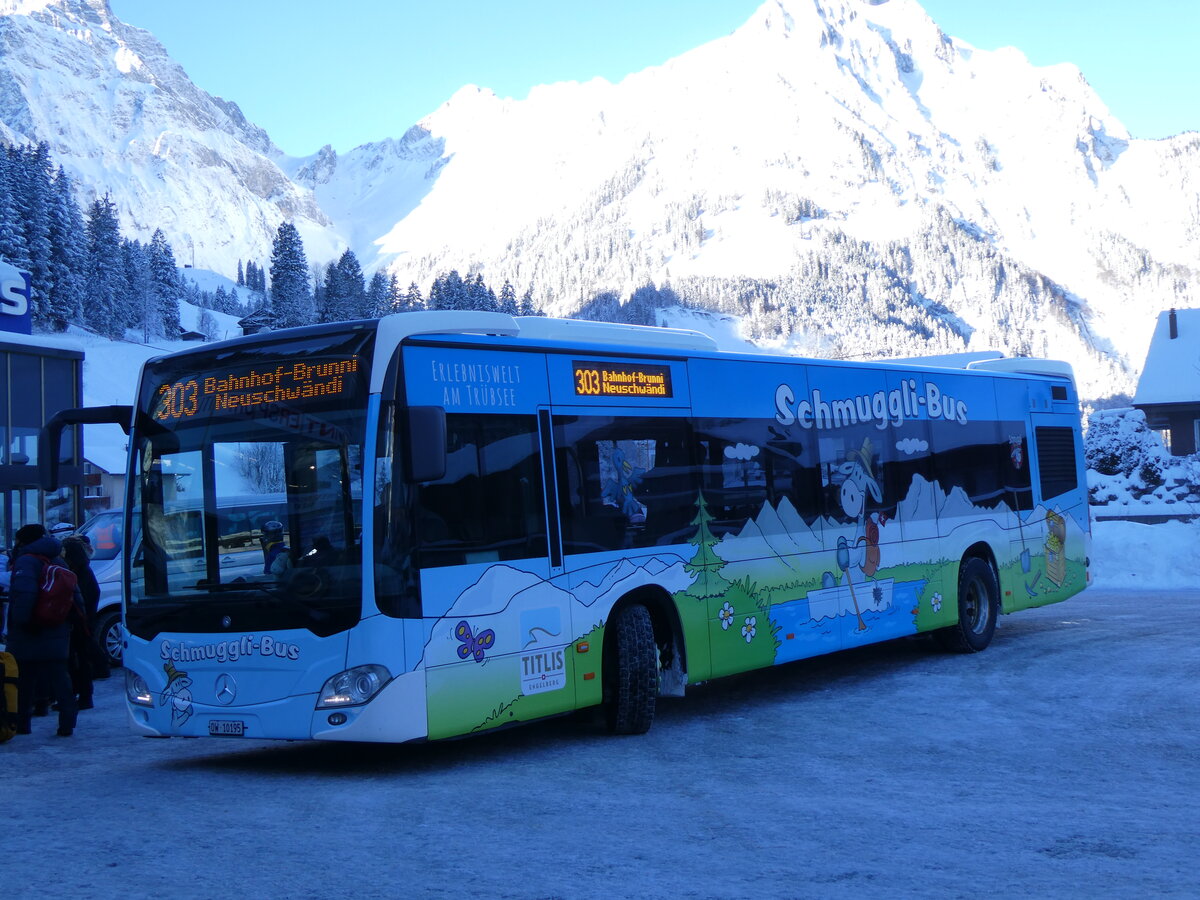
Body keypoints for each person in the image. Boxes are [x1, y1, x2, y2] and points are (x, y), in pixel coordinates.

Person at [5, 524, 78, 737]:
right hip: (57, 628)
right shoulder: (57, 559)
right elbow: (75, 595)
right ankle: (67, 723)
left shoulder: (26, 561)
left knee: (24, 679)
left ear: (23, 541)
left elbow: (24, 594)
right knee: (60, 678)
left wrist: (21, 622)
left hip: (30, 630)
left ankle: (21, 724)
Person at [62, 535, 104, 701]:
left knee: (80, 659)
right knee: (81, 657)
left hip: (80, 622)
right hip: (84, 621)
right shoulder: (83, 570)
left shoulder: (78, 573)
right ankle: (83, 694)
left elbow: (82, 599)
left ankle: (84, 695)